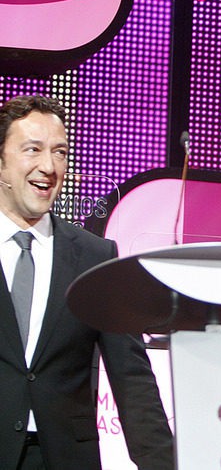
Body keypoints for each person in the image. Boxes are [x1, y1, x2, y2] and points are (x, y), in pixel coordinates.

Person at [0, 95, 173, 469]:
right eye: (33, 150)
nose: (48, 166)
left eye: (60, 152)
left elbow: (132, 378)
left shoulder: (95, 258)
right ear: (1, 162)